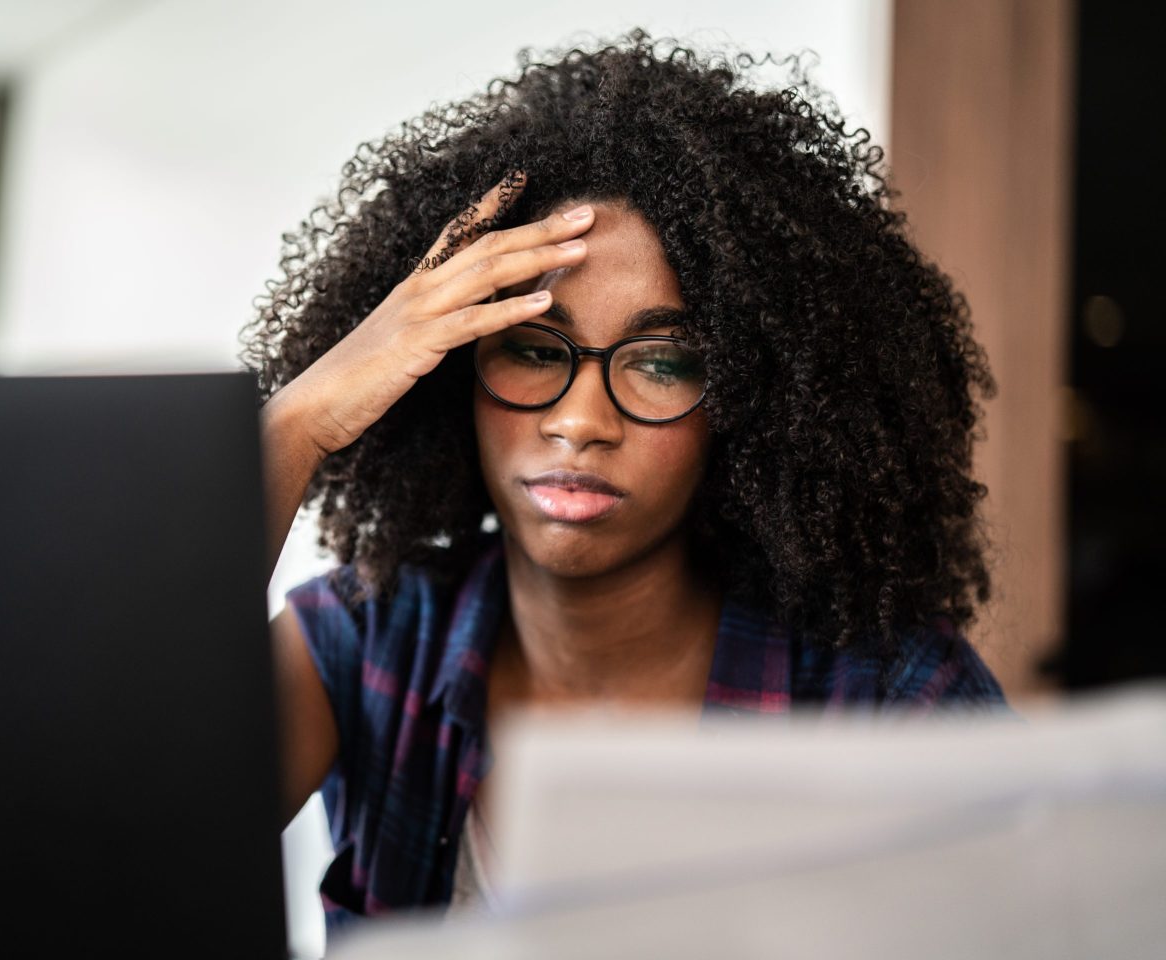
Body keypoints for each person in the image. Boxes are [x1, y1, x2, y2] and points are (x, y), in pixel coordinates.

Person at [239, 28, 1009, 940]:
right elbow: (95, 845)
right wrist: (298, 423)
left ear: (754, 404)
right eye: (531, 349)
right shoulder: (370, 644)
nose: (580, 420)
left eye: (662, 363)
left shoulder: (892, 702)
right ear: (447, 373)